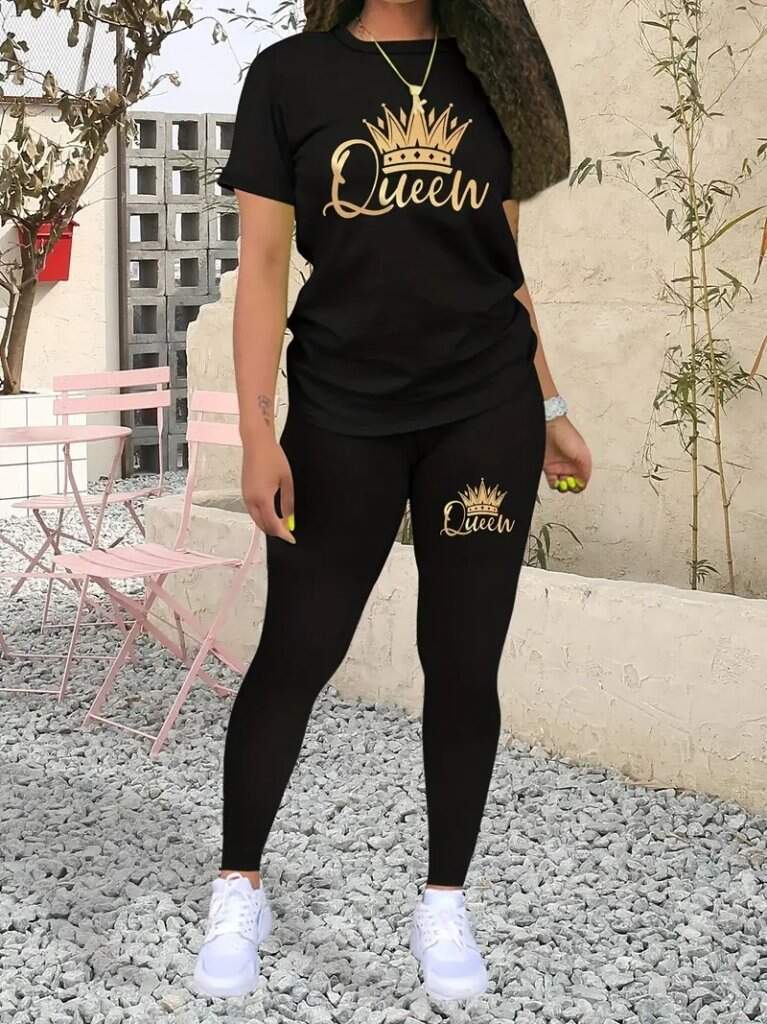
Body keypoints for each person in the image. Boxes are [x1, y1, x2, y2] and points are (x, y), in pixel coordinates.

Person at [193, 0, 591, 1003]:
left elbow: (504, 267)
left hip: (485, 411)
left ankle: (442, 900)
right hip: (341, 412)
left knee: (462, 662)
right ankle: (239, 884)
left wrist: (549, 406)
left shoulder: (494, 72)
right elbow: (264, 266)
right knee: (297, 649)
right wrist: (257, 430)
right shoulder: (289, 75)